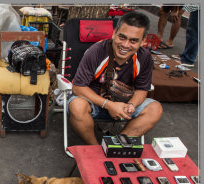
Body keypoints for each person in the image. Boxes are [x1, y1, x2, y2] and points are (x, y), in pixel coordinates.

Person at [68, 11, 163, 145]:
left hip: (124, 104)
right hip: (95, 104)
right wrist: (109, 105)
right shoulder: (97, 51)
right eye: (122, 37)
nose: (125, 45)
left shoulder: (144, 57)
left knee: (155, 109)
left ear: (143, 41)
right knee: (76, 105)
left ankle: (114, 145)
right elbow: (78, 87)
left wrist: (131, 105)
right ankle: (95, 149)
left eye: (133, 40)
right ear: (114, 34)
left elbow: (142, 89)